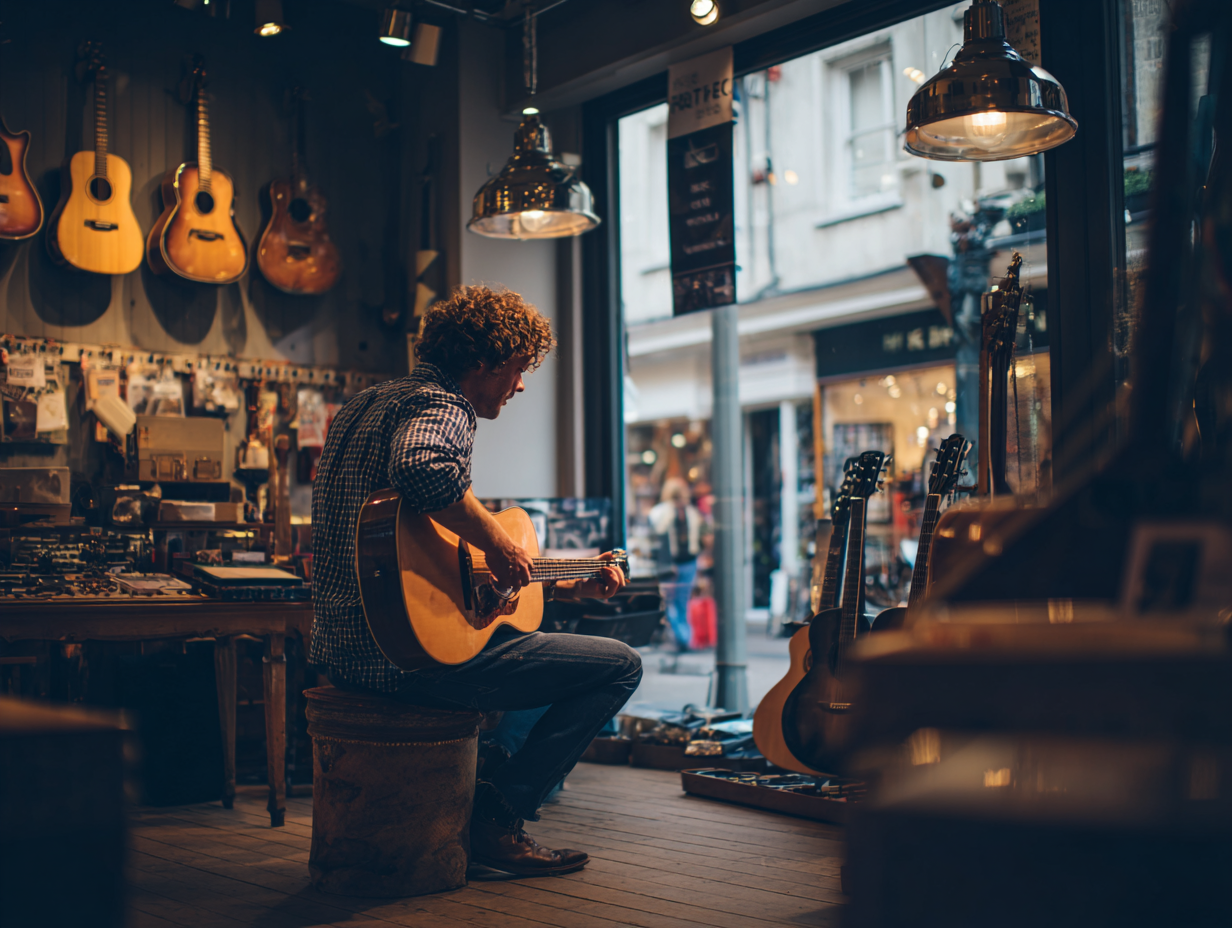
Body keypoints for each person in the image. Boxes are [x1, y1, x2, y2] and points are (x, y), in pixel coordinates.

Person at [310, 285, 642, 877]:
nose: (518, 387)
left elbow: (424, 556)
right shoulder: (444, 406)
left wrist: (562, 585)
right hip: (403, 664)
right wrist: (501, 542)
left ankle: (486, 778)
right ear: (484, 361)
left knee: (531, 646)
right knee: (619, 664)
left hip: (344, 650)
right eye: (516, 370)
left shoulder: (367, 404)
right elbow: (427, 472)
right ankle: (498, 813)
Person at [648, 477, 705, 651]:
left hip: (685, 563)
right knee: (675, 602)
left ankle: (683, 638)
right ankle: (683, 637)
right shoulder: (667, 512)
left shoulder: (688, 512)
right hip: (675, 564)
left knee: (678, 602)